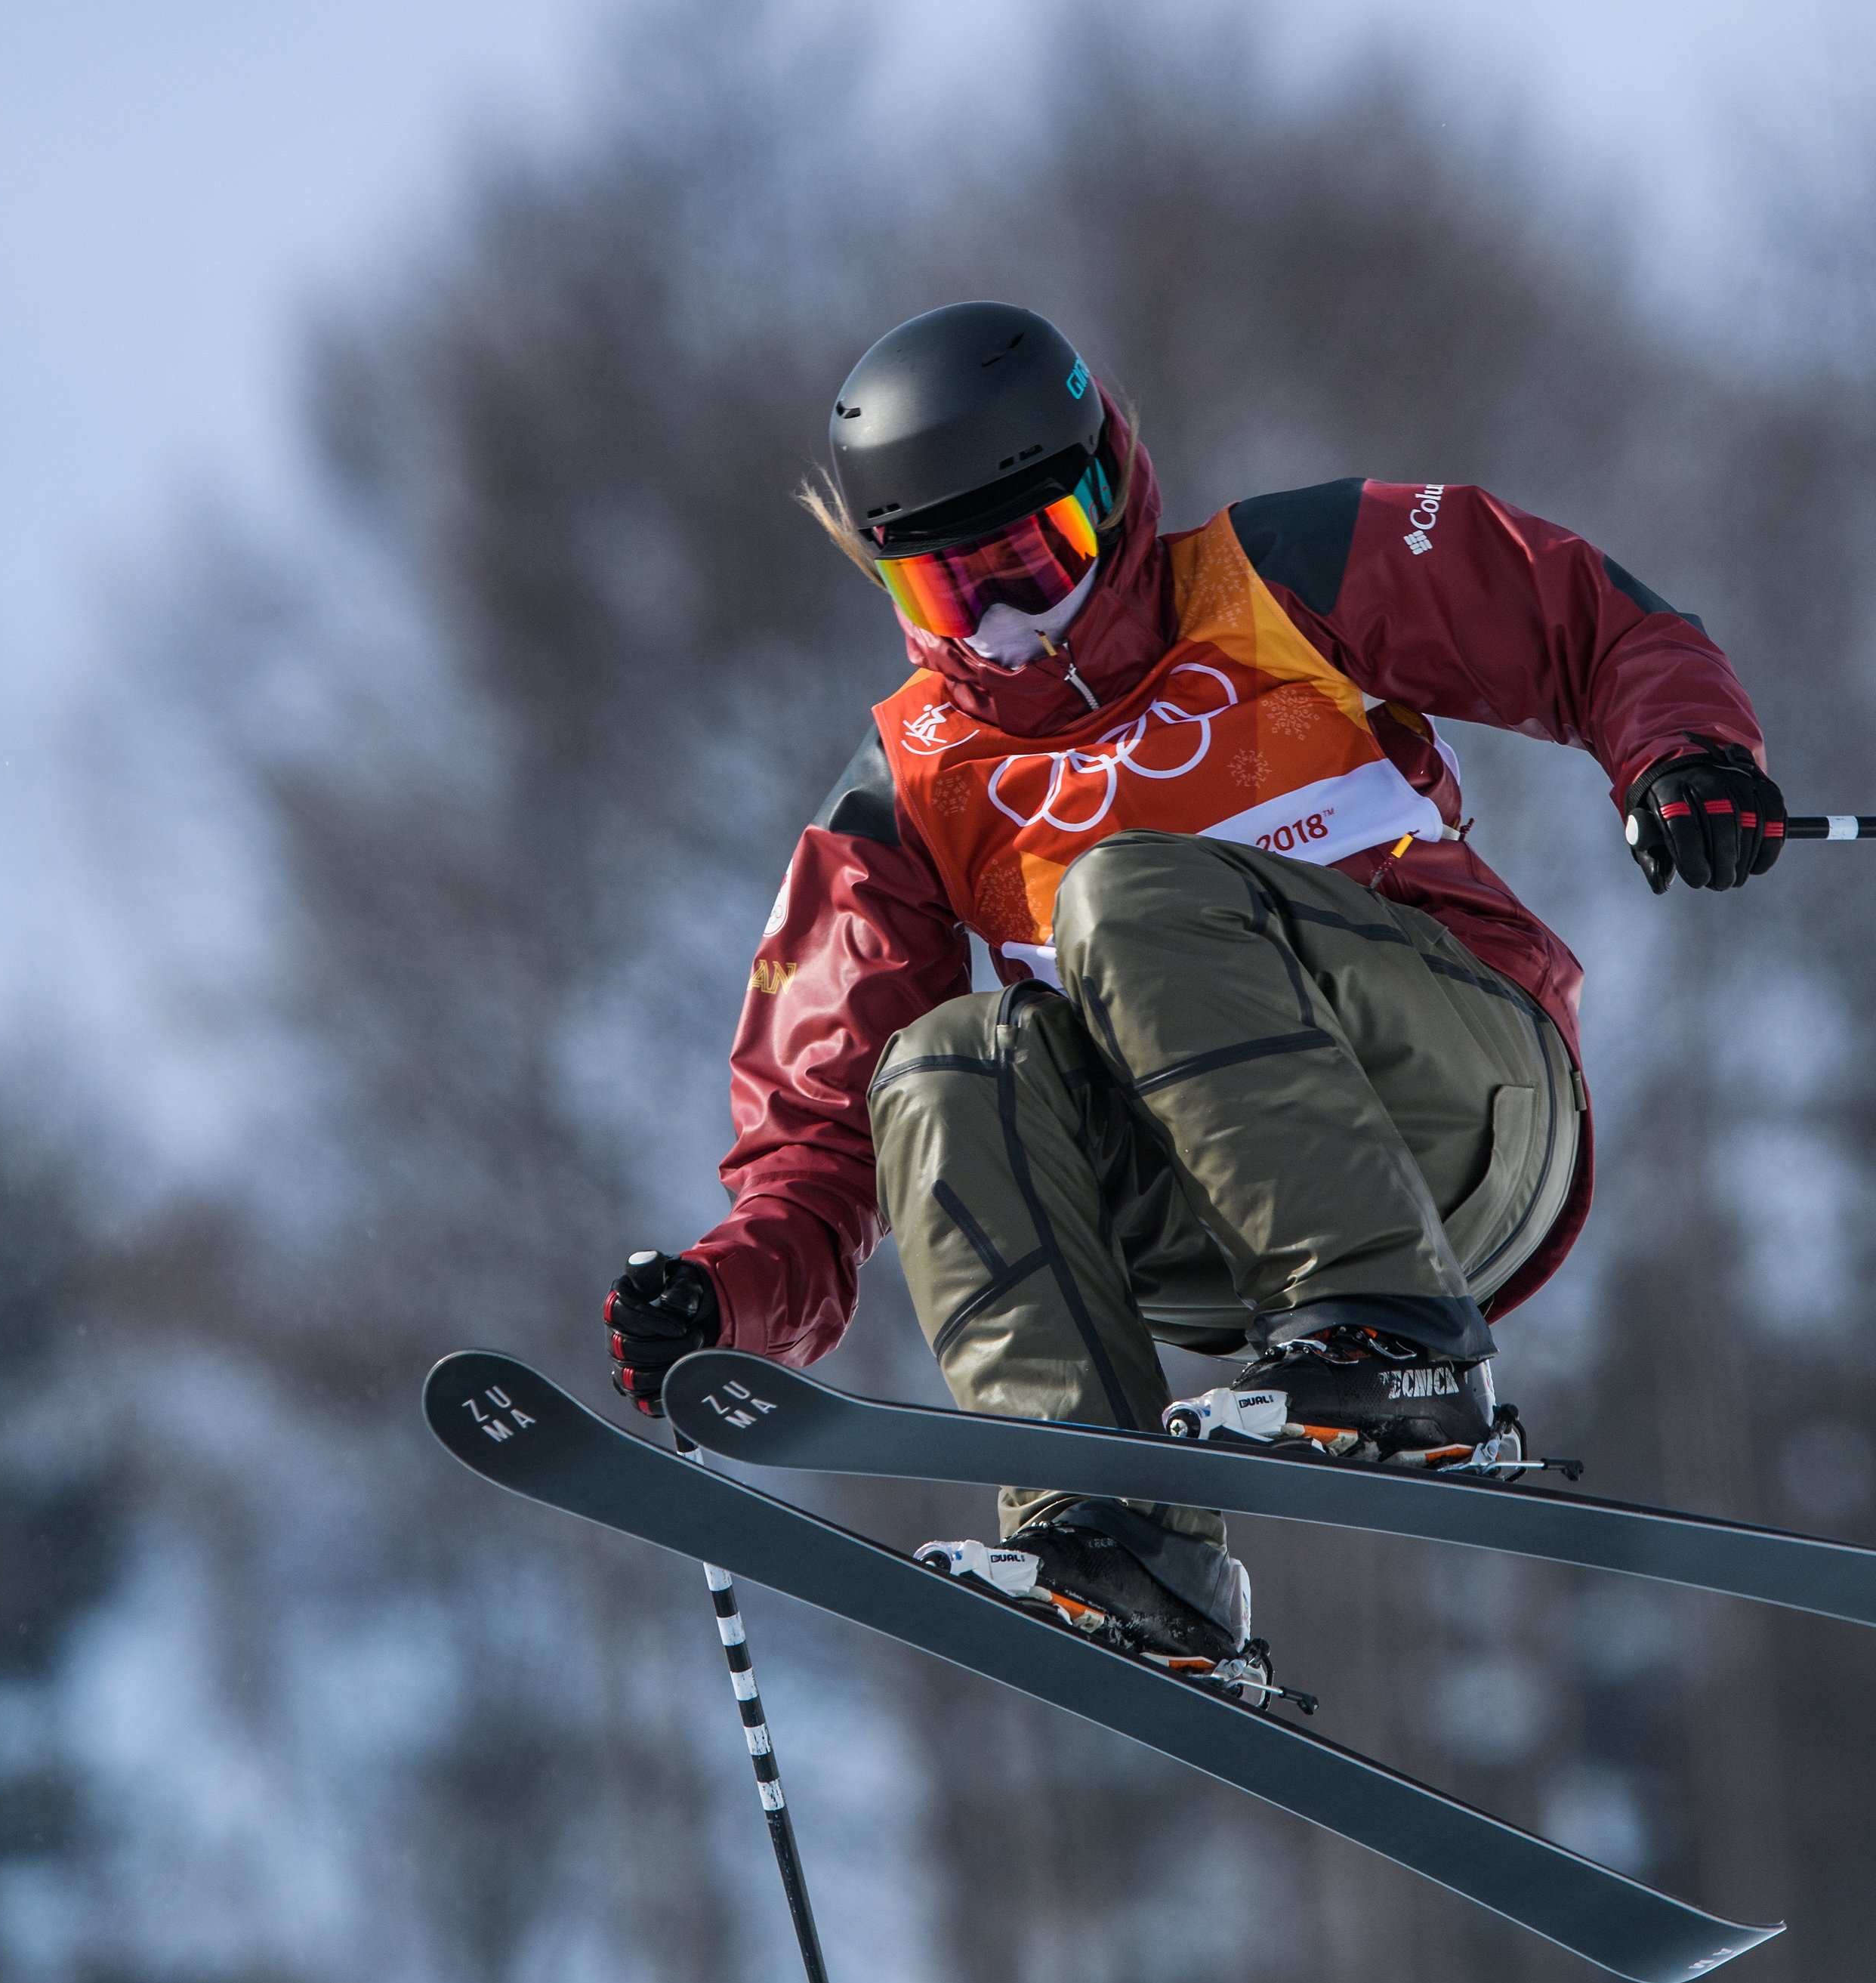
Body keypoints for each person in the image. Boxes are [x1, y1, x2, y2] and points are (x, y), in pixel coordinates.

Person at [603, 301, 1782, 1688]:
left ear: (1109, 485)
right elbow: (819, 1145)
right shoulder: (909, 792)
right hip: (1221, 1243)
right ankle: (1113, 1537)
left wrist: (1683, 756)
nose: (1014, 618)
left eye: (1041, 558)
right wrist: (727, 1298)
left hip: (1464, 1109)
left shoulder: (1274, 577)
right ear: (894, 589)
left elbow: (1581, 618)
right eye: (954, 591)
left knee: (1124, 894)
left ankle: (1389, 1332)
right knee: (939, 1062)